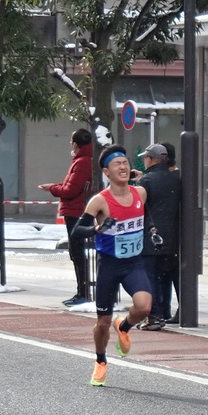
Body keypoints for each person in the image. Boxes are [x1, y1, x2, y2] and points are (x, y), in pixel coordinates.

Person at [69, 146, 153, 387]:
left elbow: (144, 216)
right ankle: (100, 361)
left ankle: (124, 325)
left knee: (145, 307)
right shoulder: (99, 201)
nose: (123, 167)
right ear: (106, 171)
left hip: (134, 263)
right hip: (109, 264)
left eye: (126, 162)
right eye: (117, 164)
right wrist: (97, 228)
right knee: (103, 322)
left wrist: (153, 230)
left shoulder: (140, 193)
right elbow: (77, 232)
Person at [39, 128, 94, 306]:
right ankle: (83, 290)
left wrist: (53, 189)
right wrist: (56, 186)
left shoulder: (82, 162)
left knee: (77, 253)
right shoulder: (86, 160)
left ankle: (83, 292)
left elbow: (71, 189)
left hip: (76, 212)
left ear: (76, 144)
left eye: (71, 142)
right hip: (80, 211)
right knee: (78, 253)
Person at [136, 142, 181, 329]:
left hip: (151, 237)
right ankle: (163, 312)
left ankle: (153, 316)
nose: (145, 161)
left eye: (146, 158)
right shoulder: (176, 179)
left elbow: (139, 208)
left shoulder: (145, 182)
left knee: (150, 277)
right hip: (173, 238)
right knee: (164, 277)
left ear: (151, 159)